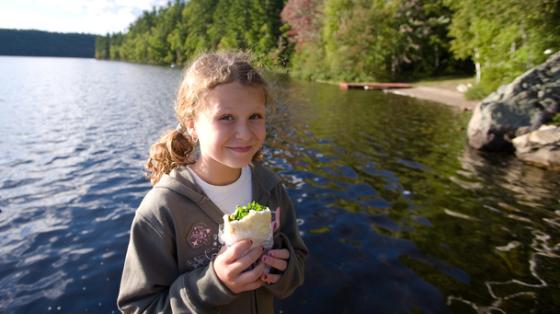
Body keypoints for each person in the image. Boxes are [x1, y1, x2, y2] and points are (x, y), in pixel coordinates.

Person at [117, 52, 308, 313]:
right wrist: (213, 283)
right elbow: (139, 307)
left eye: (255, 116)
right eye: (226, 118)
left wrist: (283, 269)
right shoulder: (163, 208)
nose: (244, 133)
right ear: (192, 124)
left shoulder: (270, 188)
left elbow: (297, 262)